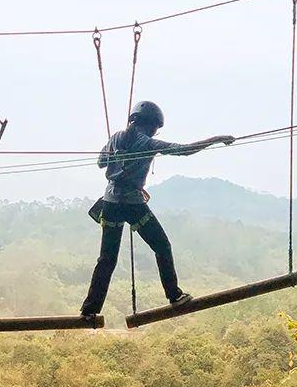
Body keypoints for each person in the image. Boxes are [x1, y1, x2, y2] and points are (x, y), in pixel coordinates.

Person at [80, 101, 235, 319]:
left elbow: (100, 163)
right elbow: (184, 150)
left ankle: (89, 310)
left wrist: (117, 155)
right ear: (152, 126)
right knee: (161, 245)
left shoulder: (116, 137)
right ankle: (174, 295)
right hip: (133, 205)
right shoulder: (147, 142)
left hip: (110, 203)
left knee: (107, 259)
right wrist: (216, 139)